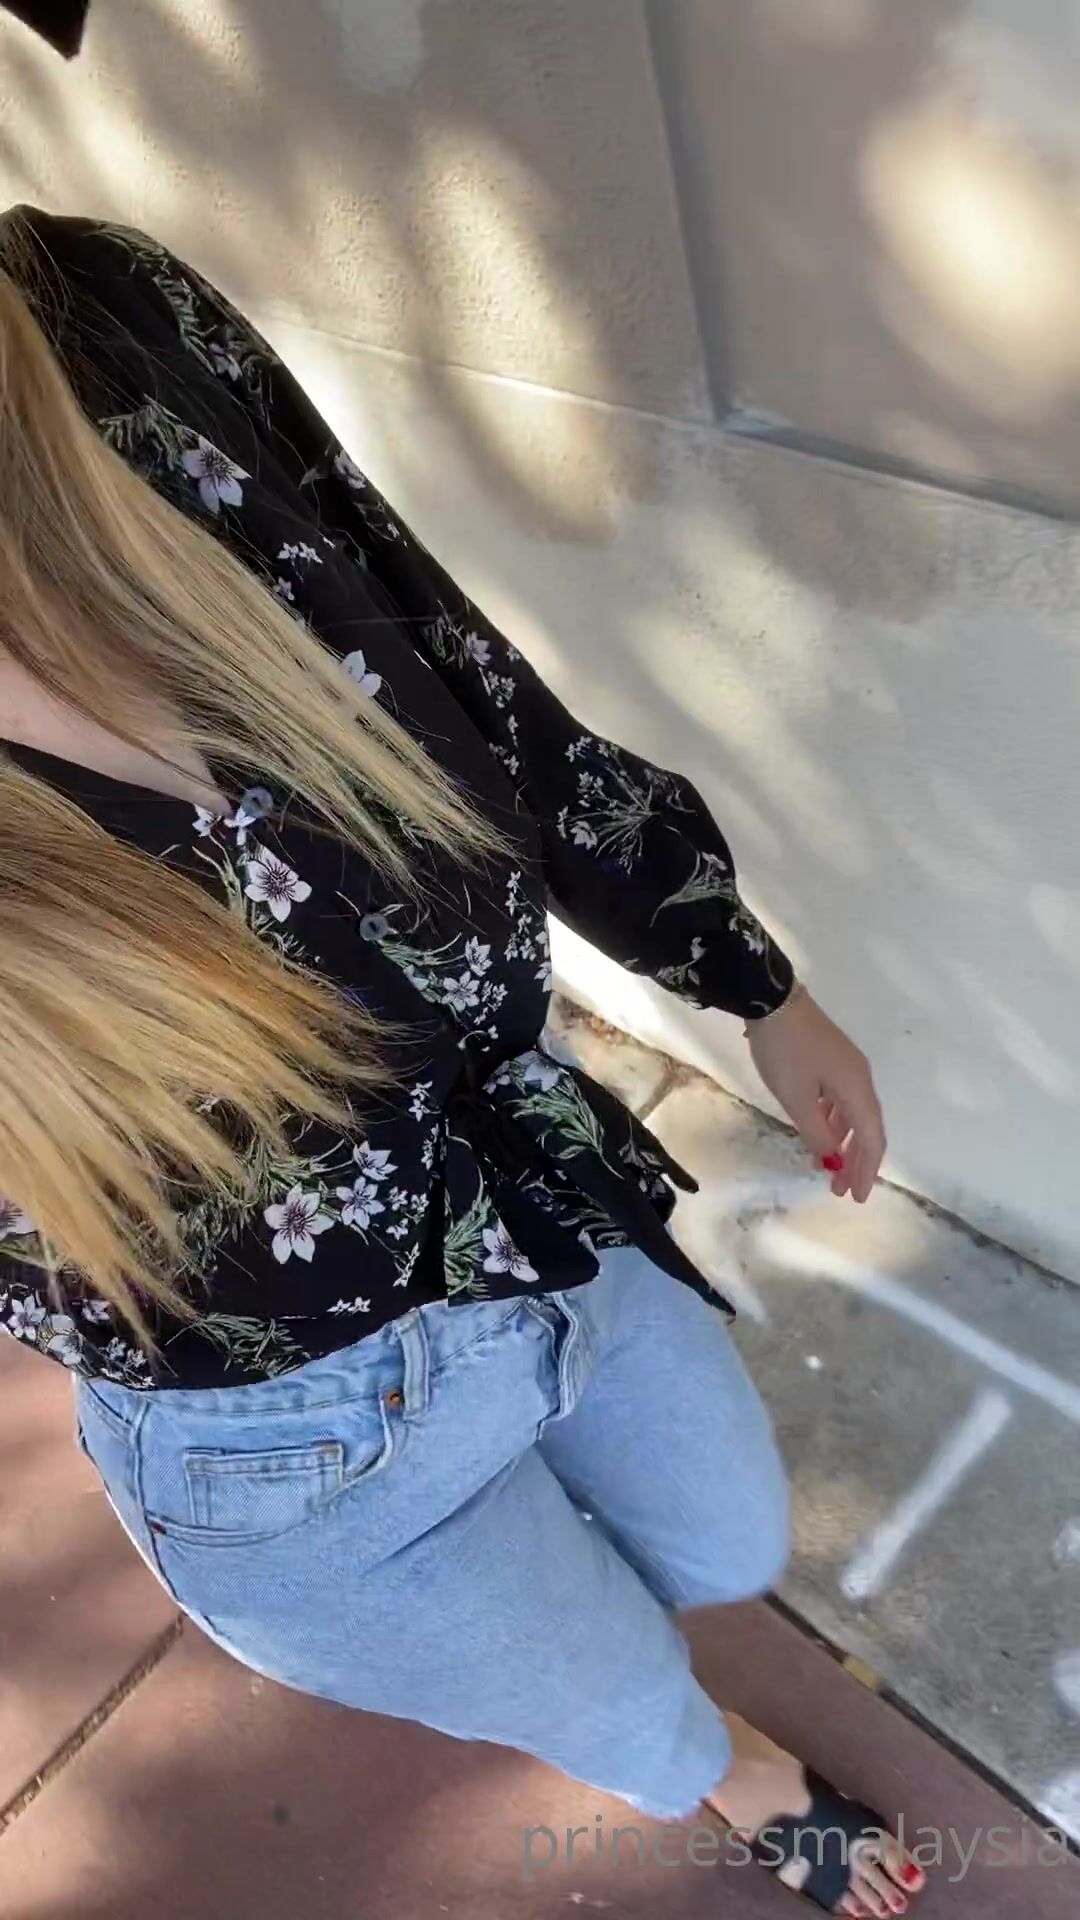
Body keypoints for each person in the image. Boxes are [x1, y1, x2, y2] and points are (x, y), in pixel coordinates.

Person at [0, 206, 920, 1917]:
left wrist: (744, 973)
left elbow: (462, 667)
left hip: (536, 1205)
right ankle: (732, 1768)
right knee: (629, 1709)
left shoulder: (102, 318)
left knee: (726, 1543)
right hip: (287, 1460)